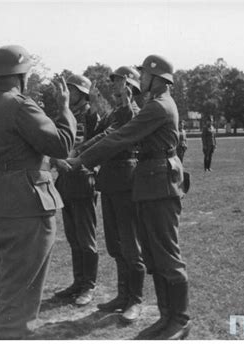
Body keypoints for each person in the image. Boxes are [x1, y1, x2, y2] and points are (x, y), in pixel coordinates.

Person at [67, 55, 191, 340]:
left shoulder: (158, 106)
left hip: (159, 184)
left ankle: (180, 320)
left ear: (156, 77)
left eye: (143, 74)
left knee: (167, 256)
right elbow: (115, 133)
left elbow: (121, 137)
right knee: (155, 254)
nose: (140, 78)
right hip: (151, 182)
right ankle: (167, 317)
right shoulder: (154, 105)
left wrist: (80, 160)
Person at [0, 45, 76, 339]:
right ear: (22, 74)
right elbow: (61, 145)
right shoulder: (19, 105)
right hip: (24, 209)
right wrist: (65, 109)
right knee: (18, 305)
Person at [75, 66, 144, 323]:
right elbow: (99, 133)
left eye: (118, 83)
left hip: (127, 181)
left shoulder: (135, 111)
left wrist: (126, 102)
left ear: (131, 87)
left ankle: (135, 299)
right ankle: (123, 294)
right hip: (111, 181)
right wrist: (92, 109)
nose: (113, 86)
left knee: (130, 243)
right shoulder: (115, 112)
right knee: (115, 244)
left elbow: (123, 129)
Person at [52, 74, 100, 306]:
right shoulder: (65, 115)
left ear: (82, 93)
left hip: (83, 179)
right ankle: (78, 281)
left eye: (71, 90)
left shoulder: (92, 115)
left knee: (86, 237)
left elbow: (97, 144)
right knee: (73, 236)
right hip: (65, 182)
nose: (67, 94)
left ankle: (88, 286)